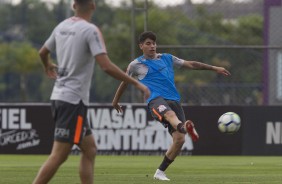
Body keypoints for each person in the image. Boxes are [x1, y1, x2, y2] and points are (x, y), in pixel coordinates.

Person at [32, 1, 150, 184]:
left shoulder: (61, 26)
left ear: (73, 5)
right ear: (93, 6)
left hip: (60, 97)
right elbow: (106, 66)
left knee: (90, 149)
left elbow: (42, 52)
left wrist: (47, 65)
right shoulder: (90, 30)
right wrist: (137, 83)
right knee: (59, 155)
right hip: (73, 102)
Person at [112, 31, 231, 181]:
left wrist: (214, 68)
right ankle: (184, 126)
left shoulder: (167, 58)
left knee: (180, 139)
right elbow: (124, 81)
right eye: (148, 43)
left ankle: (160, 172)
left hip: (174, 100)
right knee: (170, 115)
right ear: (141, 46)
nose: (152, 46)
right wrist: (115, 101)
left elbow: (191, 64)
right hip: (155, 99)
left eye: (154, 43)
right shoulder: (136, 64)